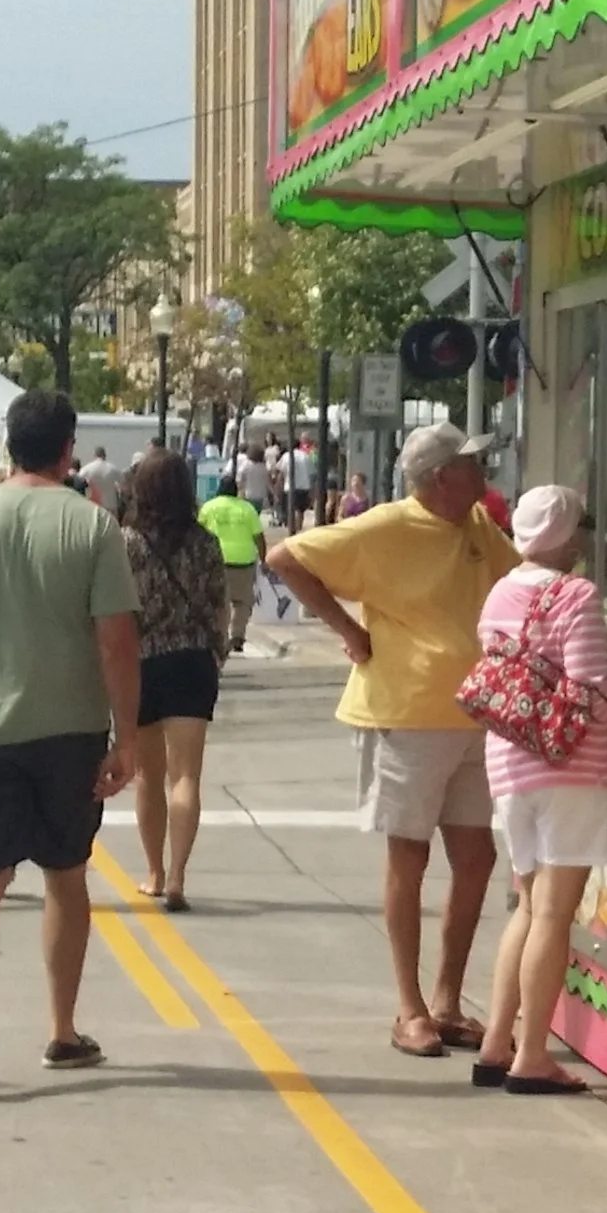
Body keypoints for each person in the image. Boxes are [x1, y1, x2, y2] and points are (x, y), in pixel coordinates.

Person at [0, 388, 141, 1095]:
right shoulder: (92, 526)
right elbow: (117, 642)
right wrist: (127, 738)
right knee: (65, 875)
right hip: (69, 732)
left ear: (9, 445)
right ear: (68, 449)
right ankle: (62, 1031)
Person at [268, 423, 512, 1060]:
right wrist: (348, 630)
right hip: (408, 713)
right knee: (410, 856)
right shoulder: (385, 526)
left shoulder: (478, 526)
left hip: (475, 714)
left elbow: (517, 580)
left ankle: (448, 1000)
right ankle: (410, 1007)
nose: (483, 472)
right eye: (471, 464)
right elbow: (285, 557)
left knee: (477, 856)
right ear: (441, 478)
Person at [470, 485, 607, 1093]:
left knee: (531, 907)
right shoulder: (576, 594)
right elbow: (590, 691)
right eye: (582, 524)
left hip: (510, 765)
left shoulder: (500, 591)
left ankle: (496, 1042)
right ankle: (532, 1054)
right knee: (555, 915)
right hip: (571, 772)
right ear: (566, 534)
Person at [117, 448, 231, 909]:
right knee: (186, 776)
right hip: (192, 660)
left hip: (142, 662)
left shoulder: (126, 543)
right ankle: (180, 874)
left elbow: (115, 610)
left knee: (148, 776)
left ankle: (155, 873)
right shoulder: (205, 543)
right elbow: (219, 604)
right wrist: (217, 652)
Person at [199, 474, 269, 650]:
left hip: (217, 560)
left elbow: (198, 533)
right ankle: (237, 635)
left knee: (218, 601)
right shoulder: (247, 509)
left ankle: (220, 636)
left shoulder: (208, 507)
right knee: (242, 602)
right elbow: (259, 537)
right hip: (243, 561)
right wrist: (263, 559)